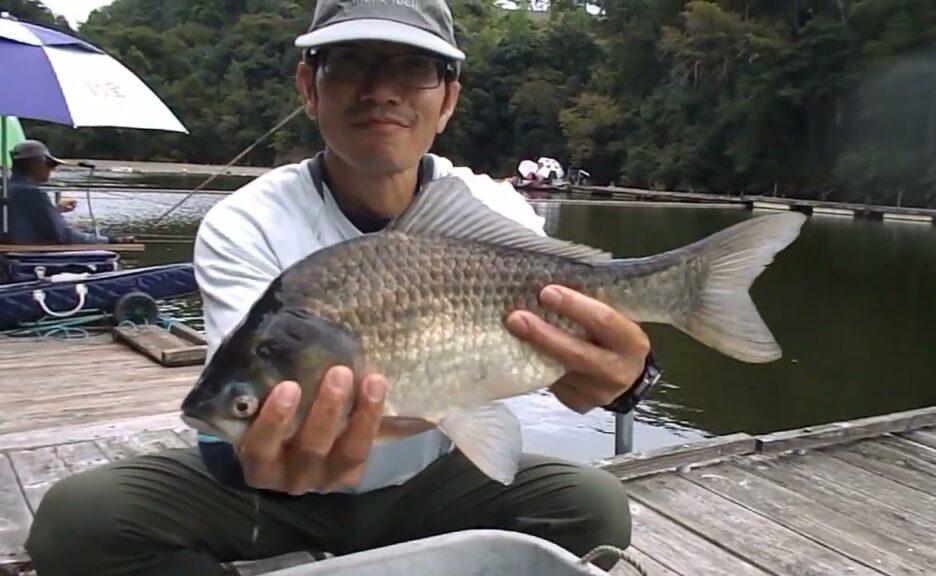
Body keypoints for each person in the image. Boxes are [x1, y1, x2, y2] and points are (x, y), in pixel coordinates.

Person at [24, 1, 663, 574]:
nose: (381, 90)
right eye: (352, 65)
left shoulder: (492, 213)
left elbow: (585, 349)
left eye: (414, 69)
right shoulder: (245, 221)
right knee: (77, 521)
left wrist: (632, 377)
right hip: (267, 492)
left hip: (434, 479)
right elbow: (241, 398)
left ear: (446, 100)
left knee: (594, 507)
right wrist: (251, 451)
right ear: (310, 86)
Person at [2, 139, 132, 245]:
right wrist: (110, 240)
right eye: (51, 164)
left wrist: (55, 210)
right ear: (38, 163)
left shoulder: (6, 188)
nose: (52, 170)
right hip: (28, 260)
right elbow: (62, 235)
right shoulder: (31, 193)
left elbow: (23, 220)